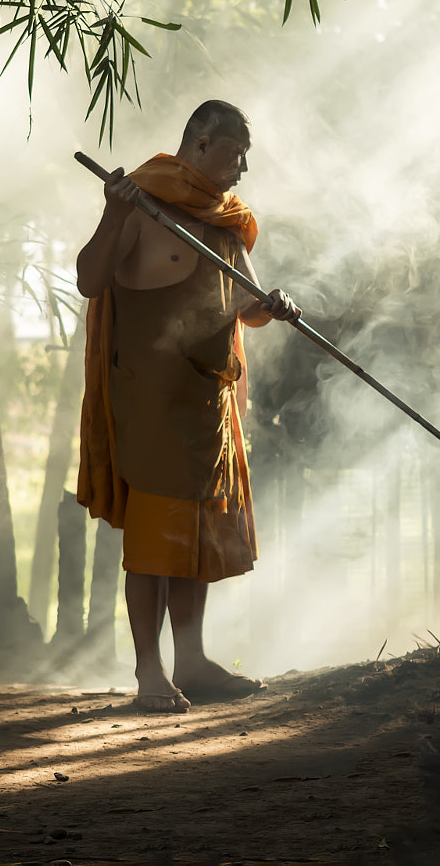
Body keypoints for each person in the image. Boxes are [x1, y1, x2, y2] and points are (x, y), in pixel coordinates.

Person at [75, 100, 299, 712]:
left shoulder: (225, 221)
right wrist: (111, 212)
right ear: (200, 145)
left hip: (208, 402)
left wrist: (274, 303)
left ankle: (191, 660)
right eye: (235, 152)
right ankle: (149, 671)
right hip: (151, 398)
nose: (243, 167)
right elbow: (90, 279)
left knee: (196, 535)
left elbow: (246, 306)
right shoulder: (143, 200)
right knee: (154, 540)